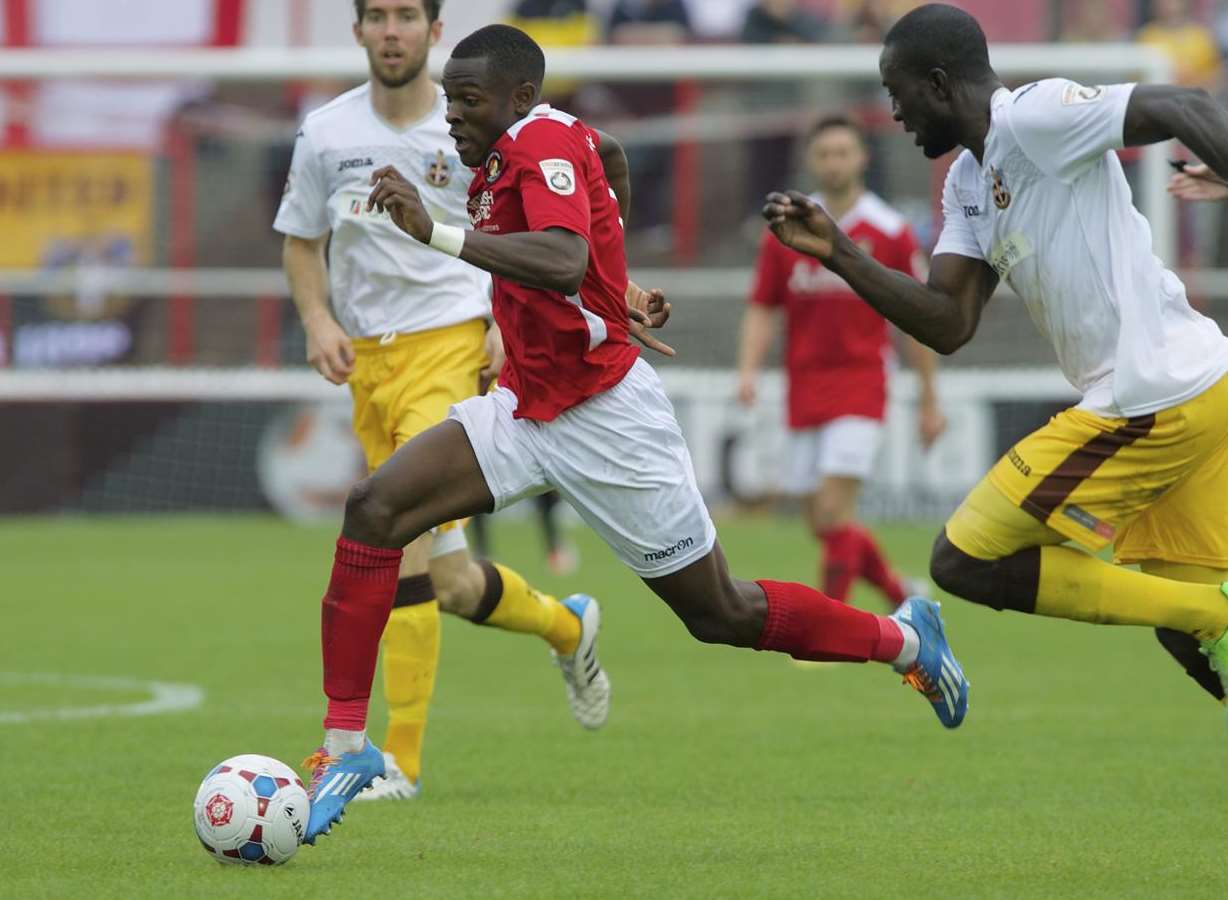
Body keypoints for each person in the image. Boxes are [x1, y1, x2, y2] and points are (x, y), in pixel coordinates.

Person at [299, 22, 971, 844]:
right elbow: (608, 163)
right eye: (449, 101)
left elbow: (557, 256)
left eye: (468, 102)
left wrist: (436, 233)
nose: (452, 118)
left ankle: (903, 641)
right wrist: (617, 289)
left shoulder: (537, 138)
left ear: (519, 99)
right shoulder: (540, 142)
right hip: (525, 405)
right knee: (375, 510)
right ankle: (347, 748)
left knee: (719, 612)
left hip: (608, 420)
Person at [764, 3, 1228, 718]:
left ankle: (1213, 610)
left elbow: (1186, 102)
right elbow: (949, 322)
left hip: (1152, 396)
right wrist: (841, 254)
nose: (894, 112)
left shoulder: (1034, 117)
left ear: (942, 83)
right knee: (1182, 634)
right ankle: (1208, 611)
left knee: (961, 560)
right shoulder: (969, 183)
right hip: (1190, 392)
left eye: (900, 92)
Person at [275, 0, 611, 805]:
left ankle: (397, 762)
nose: (391, 31)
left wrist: (504, 321)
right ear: (357, 32)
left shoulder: (471, 131)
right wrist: (318, 317)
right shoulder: (325, 132)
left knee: (400, 546)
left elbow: (524, 227)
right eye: (377, 16)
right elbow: (300, 239)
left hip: (452, 344)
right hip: (370, 364)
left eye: (406, 17)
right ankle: (568, 626)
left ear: (434, 33)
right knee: (453, 586)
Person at [738, 114, 945, 607]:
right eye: (824, 154)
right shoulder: (787, 230)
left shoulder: (890, 231)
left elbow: (916, 317)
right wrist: (747, 369)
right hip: (804, 386)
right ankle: (903, 595)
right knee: (822, 522)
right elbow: (763, 305)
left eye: (842, 153)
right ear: (812, 160)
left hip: (861, 382)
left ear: (862, 158)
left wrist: (930, 400)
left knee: (832, 511)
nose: (834, 162)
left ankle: (833, 630)